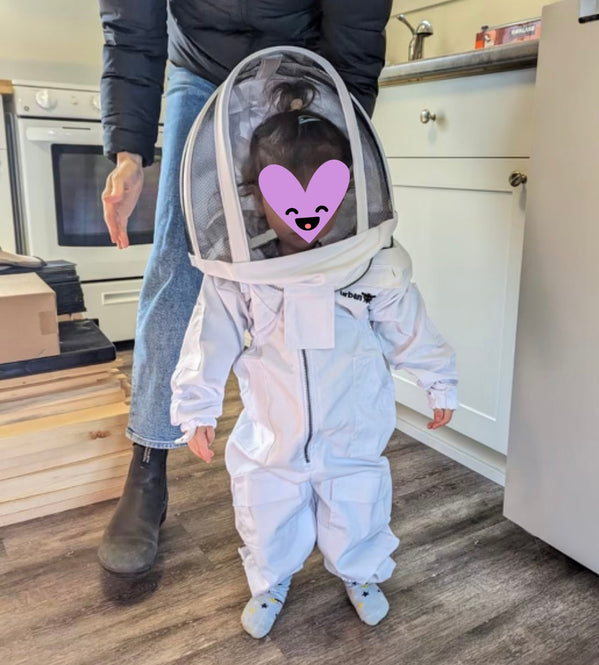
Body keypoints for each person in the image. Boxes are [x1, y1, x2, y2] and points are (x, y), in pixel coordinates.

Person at [96, 0, 393, 577]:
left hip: (304, 63)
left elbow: (357, 17)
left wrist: (344, 116)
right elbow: (130, 27)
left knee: (317, 251)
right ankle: (148, 462)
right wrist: (130, 152)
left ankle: (314, 442)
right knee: (178, 259)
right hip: (200, 68)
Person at [170, 50, 458, 639]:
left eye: (323, 192)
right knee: (265, 503)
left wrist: (438, 378)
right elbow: (209, 338)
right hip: (272, 429)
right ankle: (271, 577)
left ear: (350, 188)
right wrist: (196, 405)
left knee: (358, 500)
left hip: (353, 424)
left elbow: (410, 322)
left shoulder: (370, 263)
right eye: (286, 195)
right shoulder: (240, 276)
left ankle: (360, 570)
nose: (308, 213)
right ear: (254, 195)